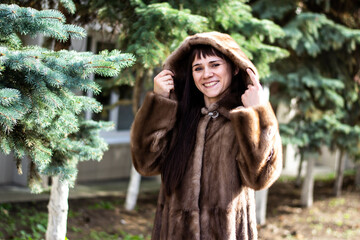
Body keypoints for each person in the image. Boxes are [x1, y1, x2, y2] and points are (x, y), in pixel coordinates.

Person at [130, 32, 282, 240]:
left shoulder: (242, 120)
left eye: (215, 65)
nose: (206, 74)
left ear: (234, 67)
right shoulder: (177, 116)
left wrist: (258, 112)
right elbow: (145, 163)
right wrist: (160, 102)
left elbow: (259, 178)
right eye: (198, 68)